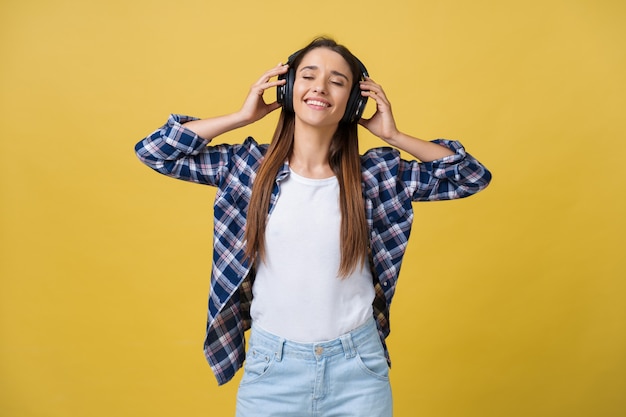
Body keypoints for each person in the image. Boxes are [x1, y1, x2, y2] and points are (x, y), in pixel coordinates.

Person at [135, 37, 491, 417]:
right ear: (288, 89)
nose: (320, 87)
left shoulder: (377, 176)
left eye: (337, 81)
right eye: (308, 76)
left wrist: (393, 136)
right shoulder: (246, 169)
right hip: (272, 367)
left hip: (358, 368)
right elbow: (155, 151)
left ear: (354, 103)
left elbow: (470, 177)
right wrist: (242, 117)